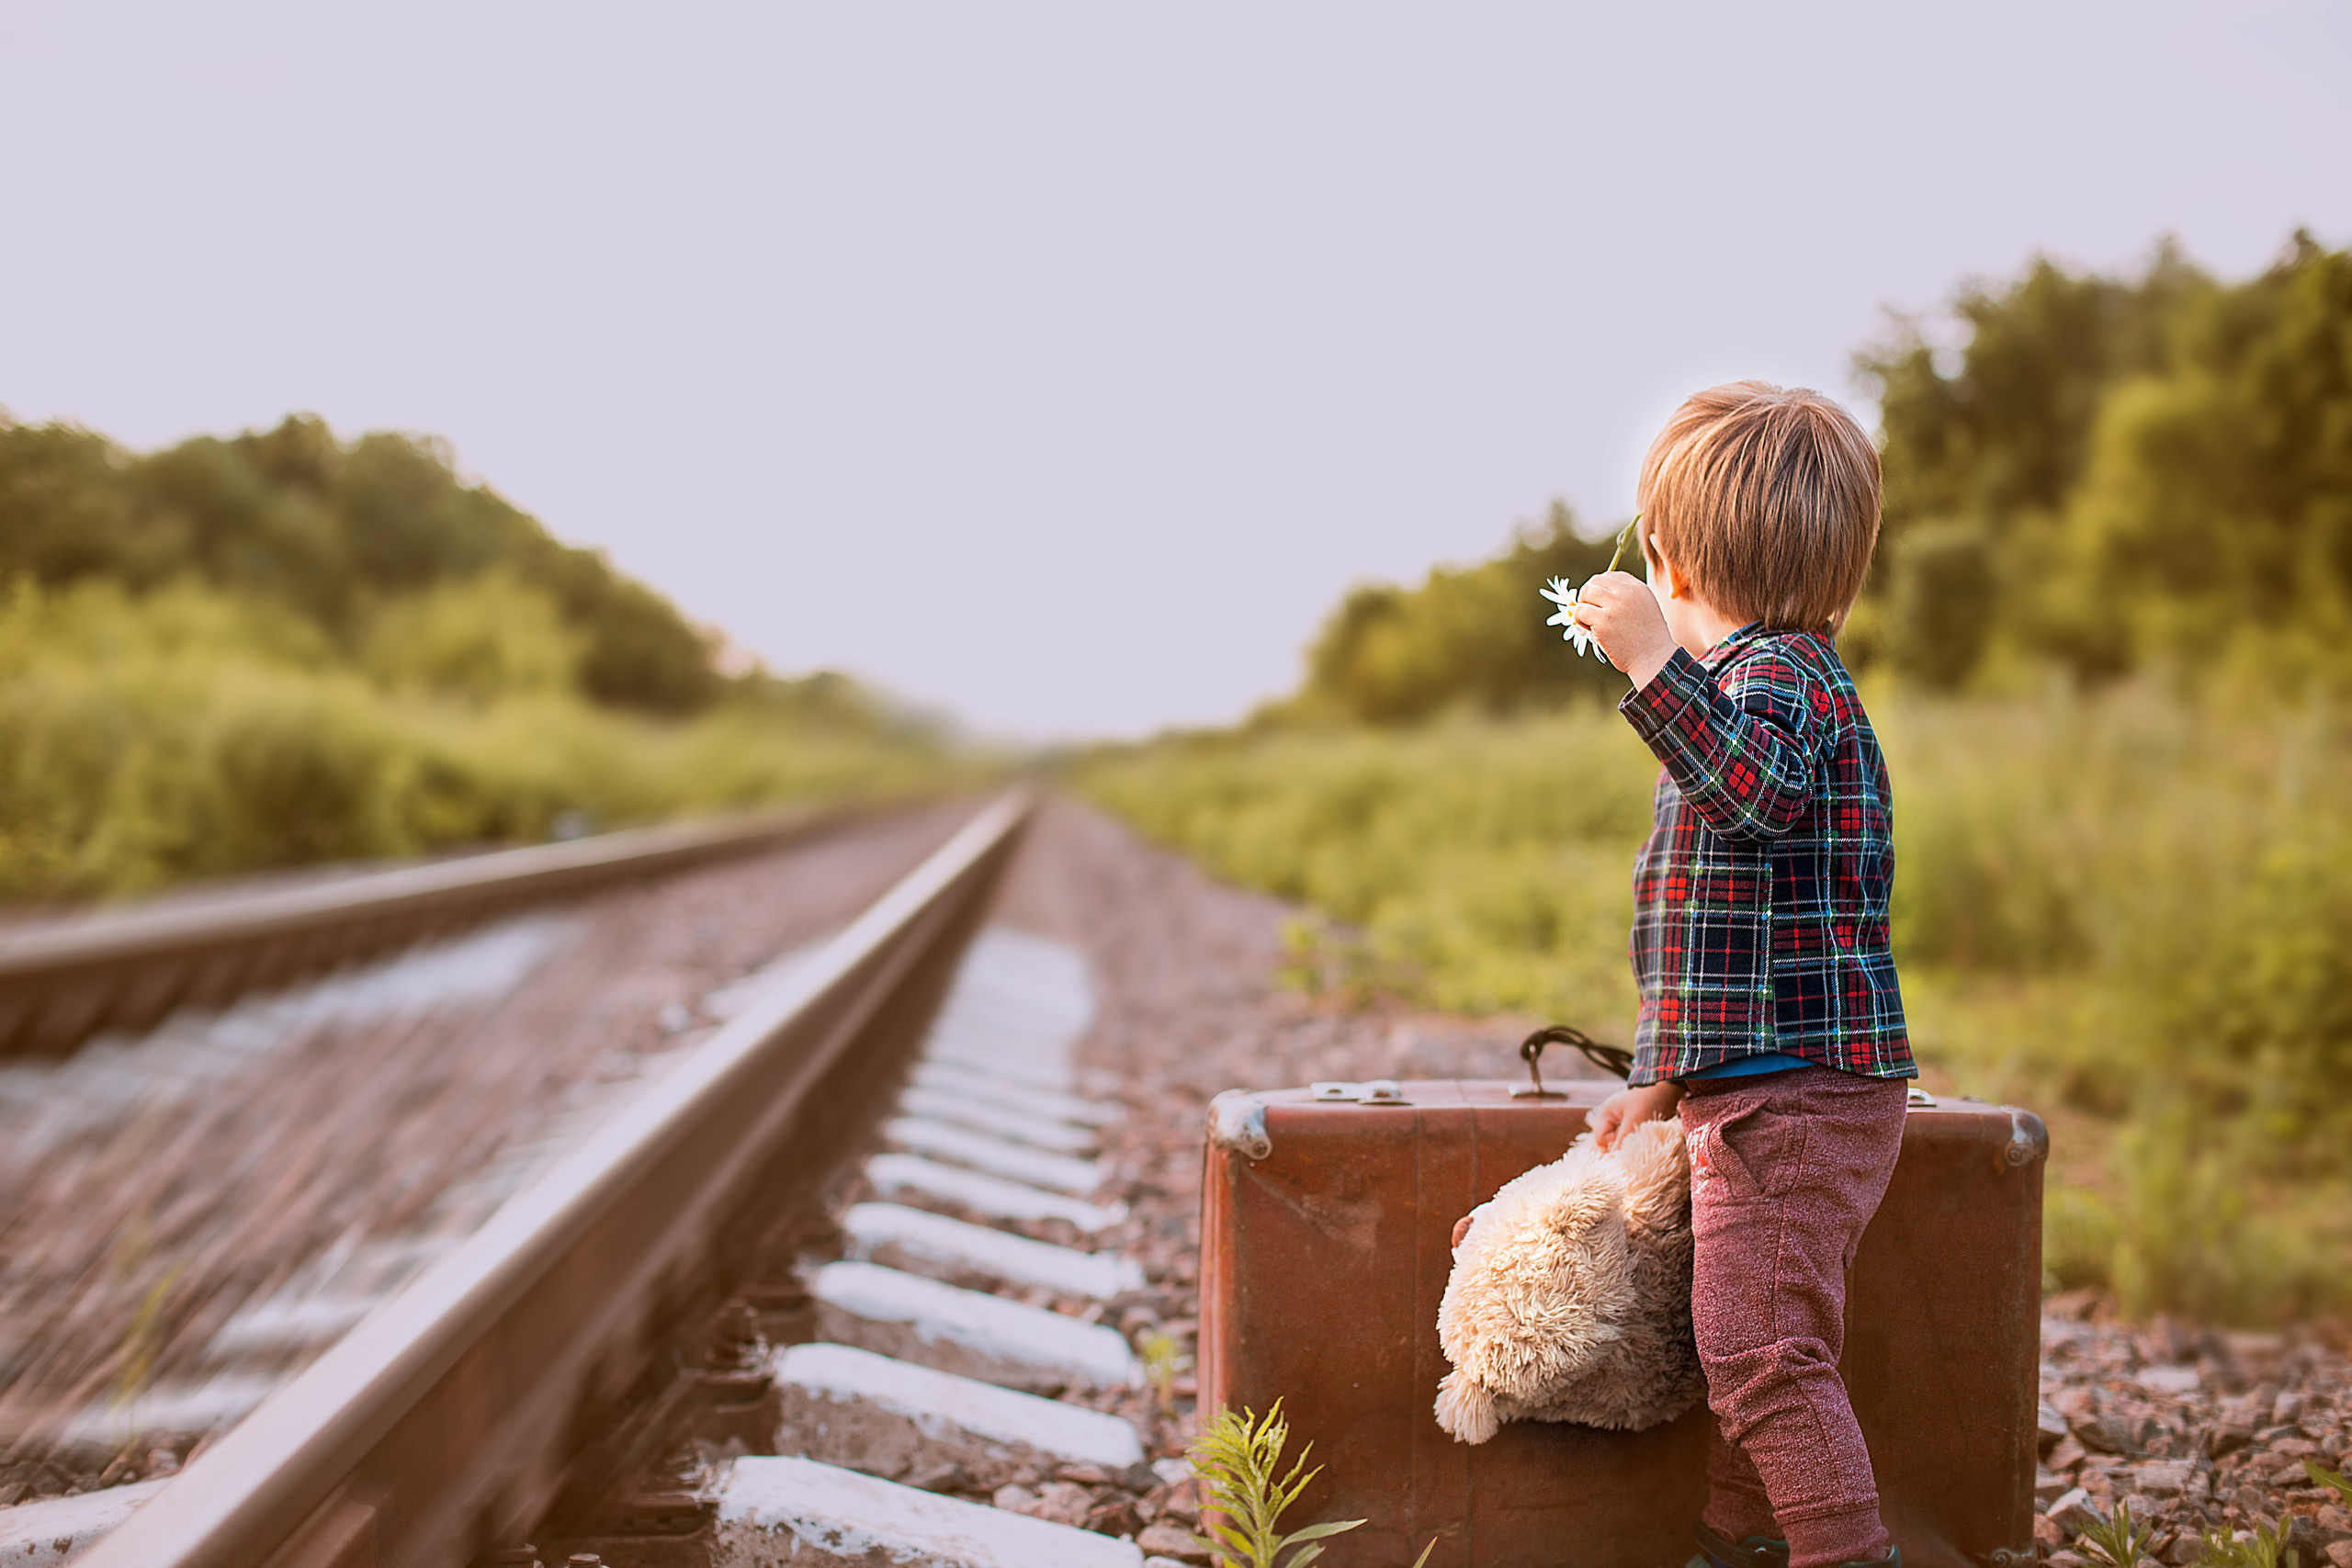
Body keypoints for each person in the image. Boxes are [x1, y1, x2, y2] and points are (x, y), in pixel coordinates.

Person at [1460, 381, 1916, 1568]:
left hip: (1801, 1100)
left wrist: (1657, 662)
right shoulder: (1763, 690)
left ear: (1671, 558)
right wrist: (1662, 1086)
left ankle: (1841, 1550)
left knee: (1760, 1347)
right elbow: (1721, 944)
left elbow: (1753, 795)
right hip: (1764, 1085)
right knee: (1746, 1334)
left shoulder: (1779, 682)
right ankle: (1741, 1537)